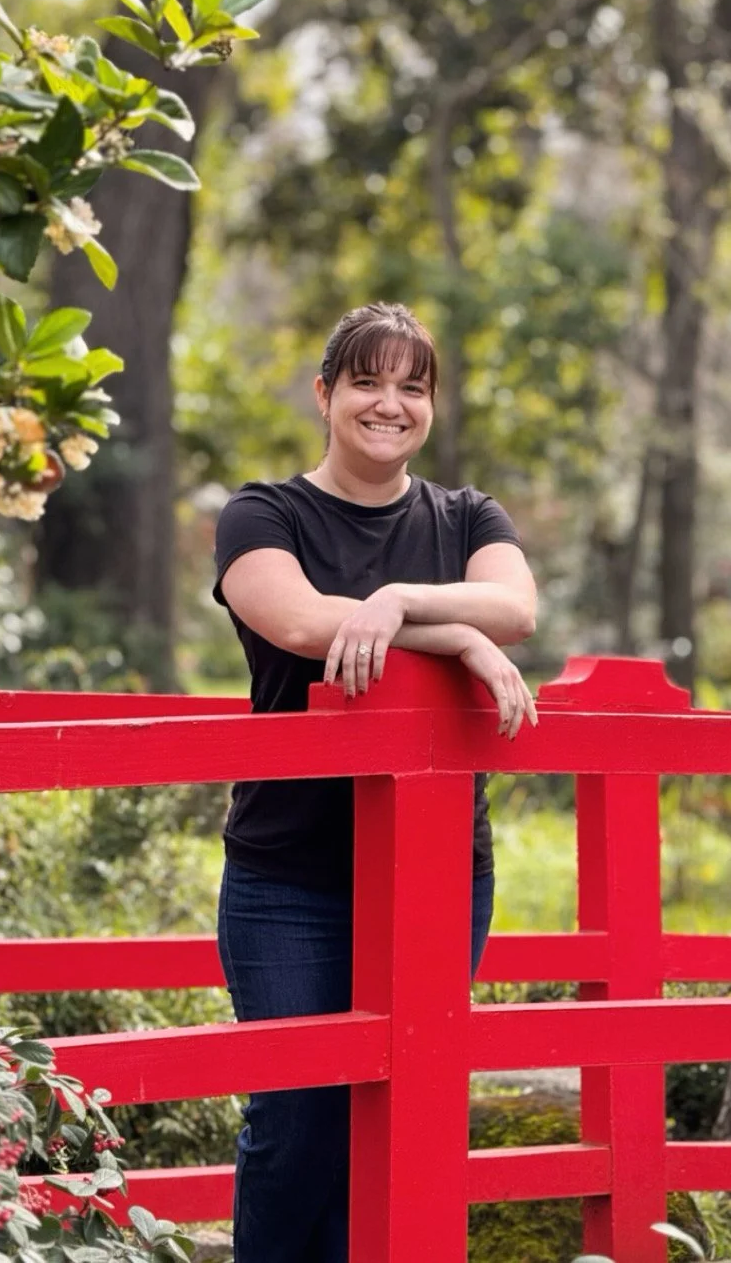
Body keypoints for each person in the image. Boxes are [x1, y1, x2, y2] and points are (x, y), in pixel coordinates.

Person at [212, 302, 538, 1262]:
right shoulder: (262, 513)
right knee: (298, 1120)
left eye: (412, 386)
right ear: (325, 393)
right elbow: (310, 628)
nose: (389, 404)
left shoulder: (468, 516)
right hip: (289, 877)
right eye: (366, 381)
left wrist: (402, 601)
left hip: (439, 875)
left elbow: (518, 605)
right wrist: (459, 633)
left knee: (405, 1117)